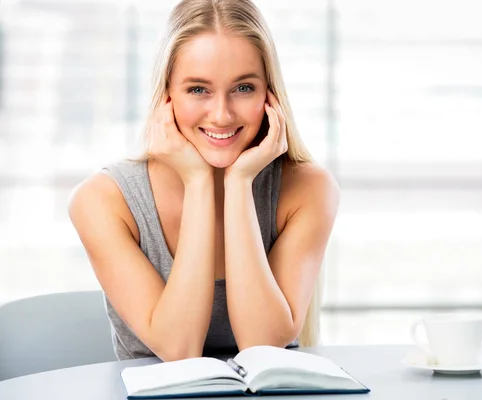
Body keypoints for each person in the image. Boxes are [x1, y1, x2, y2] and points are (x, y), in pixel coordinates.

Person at [68, 0, 339, 362]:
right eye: (198, 89)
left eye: (244, 88)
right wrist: (198, 182)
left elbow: (263, 346)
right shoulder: (102, 201)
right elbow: (179, 350)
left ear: (270, 96)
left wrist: (240, 184)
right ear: (166, 97)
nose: (222, 114)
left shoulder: (308, 189)